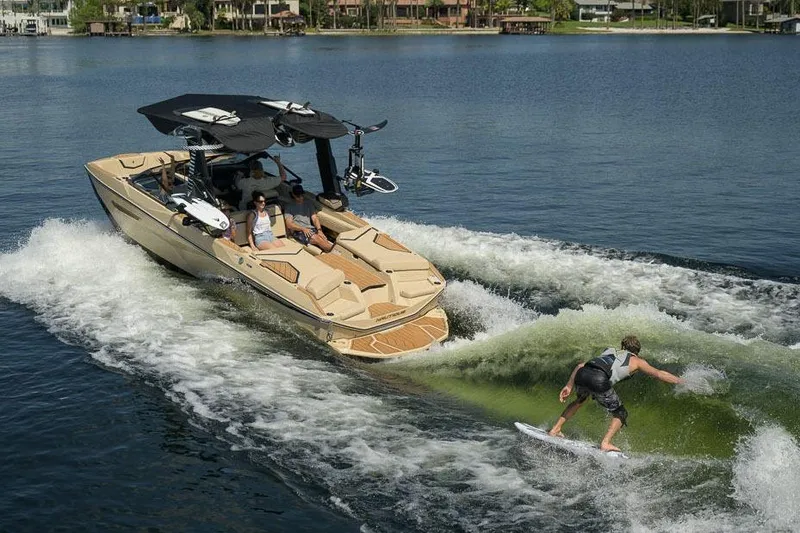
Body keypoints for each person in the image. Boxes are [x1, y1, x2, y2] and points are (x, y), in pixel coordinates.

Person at [548, 335, 684, 452]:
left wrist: (568, 386)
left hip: (583, 373)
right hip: (599, 379)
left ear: (622, 347)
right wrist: (680, 381)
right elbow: (659, 374)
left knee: (579, 400)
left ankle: (555, 429)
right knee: (621, 413)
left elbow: (580, 365)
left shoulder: (609, 351)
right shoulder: (637, 361)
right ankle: (605, 443)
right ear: (638, 351)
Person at [283, 184, 334, 253]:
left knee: (323, 238)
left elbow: (314, 218)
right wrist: (303, 229)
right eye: (298, 196)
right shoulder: (289, 207)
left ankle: (332, 254)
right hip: (298, 232)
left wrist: (319, 230)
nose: (301, 198)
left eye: (302, 195)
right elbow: (289, 224)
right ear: (293, 195)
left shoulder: (308, 203)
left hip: (310, 229)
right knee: (317, 239)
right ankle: (336, 253)